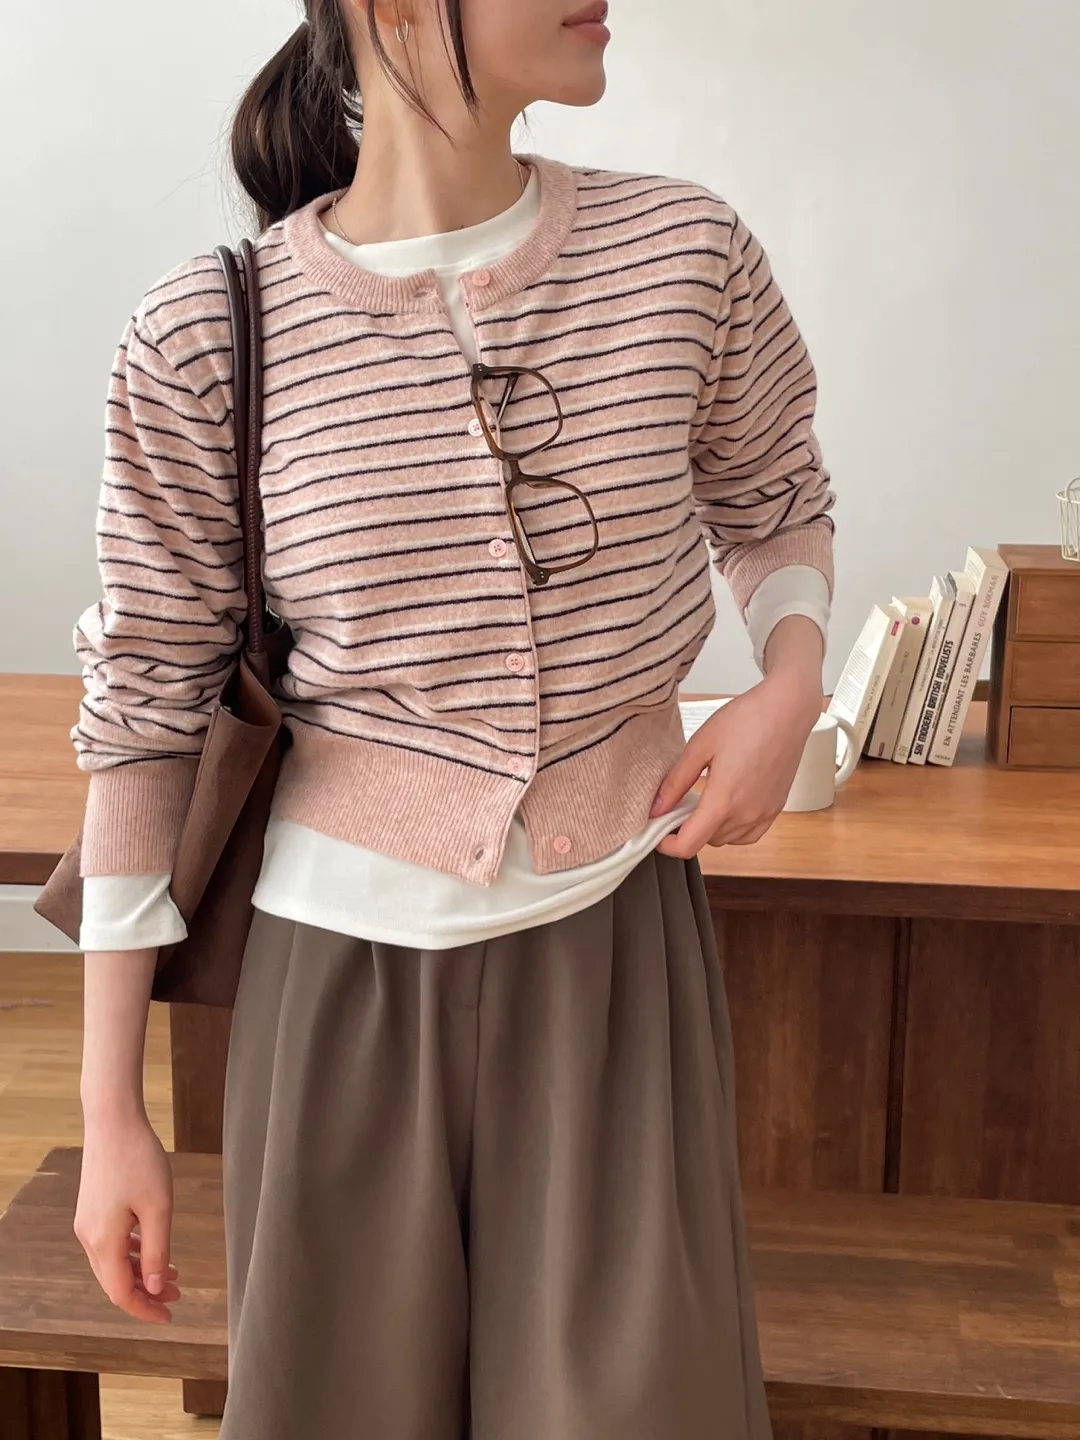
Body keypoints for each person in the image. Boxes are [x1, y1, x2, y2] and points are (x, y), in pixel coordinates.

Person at [72, 1, 835, 1436]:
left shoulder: (685, 253)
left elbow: (775, 496)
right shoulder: (205, 332)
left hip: (619, 957)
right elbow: (143, 717)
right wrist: (113, 1110)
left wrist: (789, 681)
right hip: (335, 990)